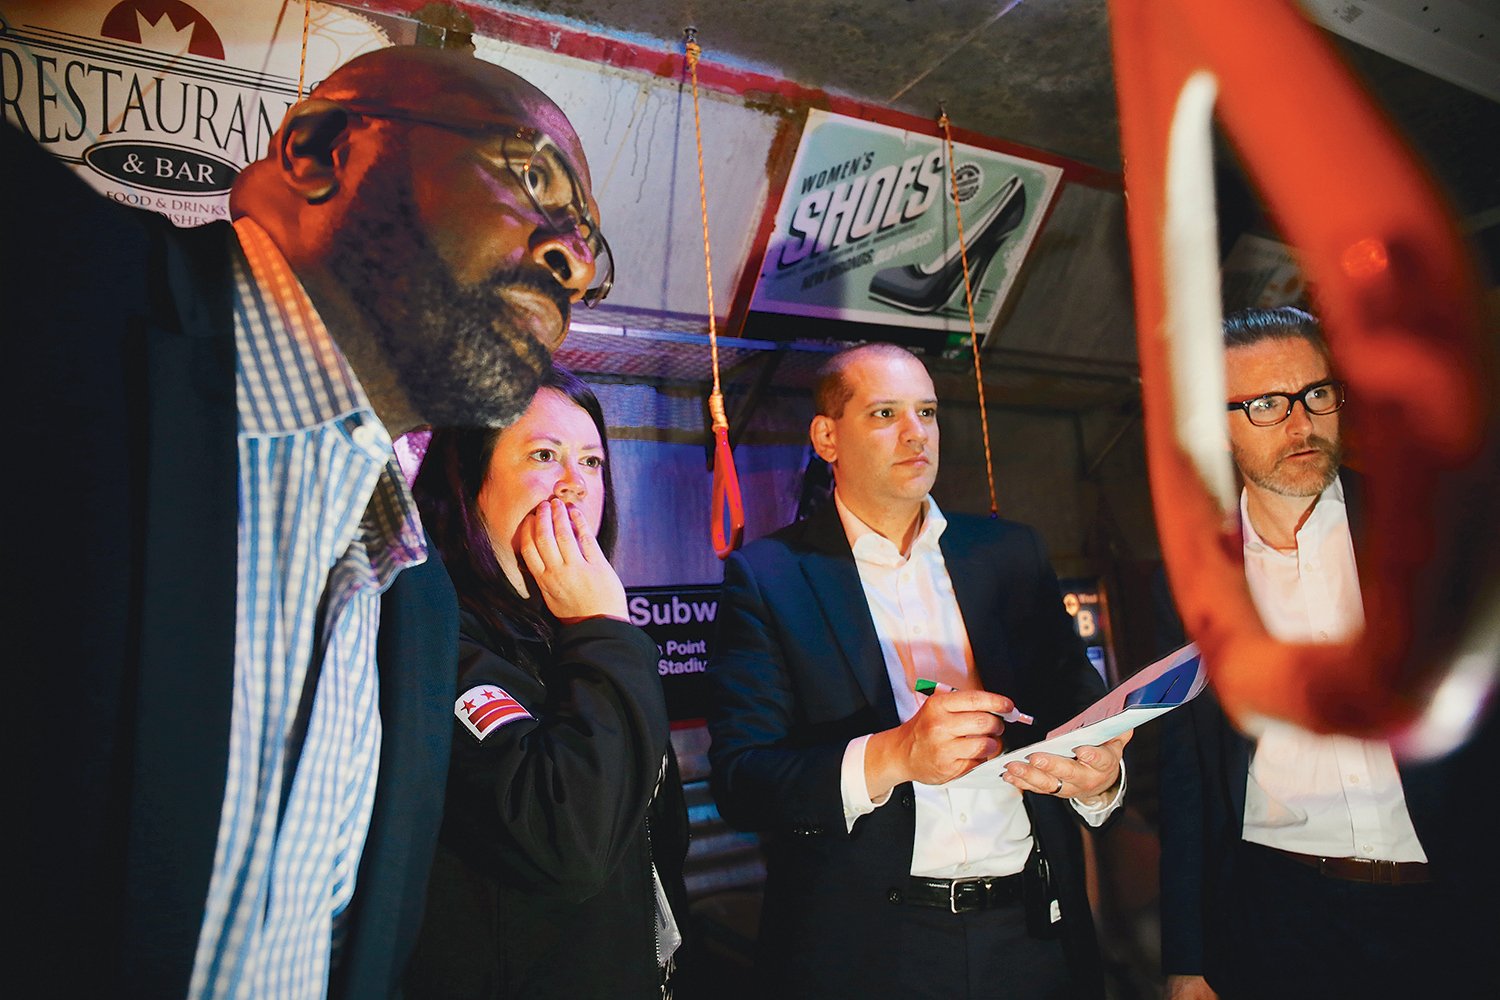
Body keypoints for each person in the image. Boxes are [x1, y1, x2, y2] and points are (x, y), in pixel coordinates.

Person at [6, 45, 608, 999]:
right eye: (531, 175)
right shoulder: (48, 281)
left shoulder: (415, 606)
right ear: (323, 148)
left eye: (586, 241)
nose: (572, 259)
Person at [705, 342, 1129, 999]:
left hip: (1032, 936)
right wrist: (894, 755)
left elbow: (1079, 704)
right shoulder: (770, 577)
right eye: (884, 413)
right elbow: (743, 780)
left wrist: (1100, 775)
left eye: (926, 411)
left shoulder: (1010, 553)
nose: (916, 433)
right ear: (827, 436)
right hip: (874, 950)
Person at [1156, 307, 1500, 999]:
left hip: (1451, 900)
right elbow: (1187, 779)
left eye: (1316, 394)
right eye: (1265, 405)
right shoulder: (1195, 574)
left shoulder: (1432, 532)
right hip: (1278, 912)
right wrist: (1186, 959)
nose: (1300, 424)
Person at [404, 367, 689, 999]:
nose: (575, 484)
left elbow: (655, 839)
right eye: (544, 455)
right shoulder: (438, 637)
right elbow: (570, 844)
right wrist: (603, 628)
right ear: (470, 478)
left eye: (591, 462)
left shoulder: (571, 634)